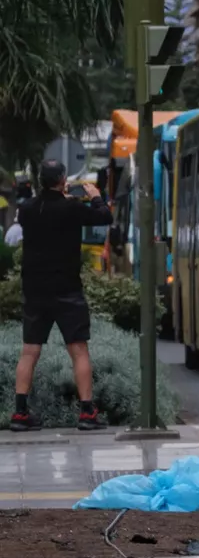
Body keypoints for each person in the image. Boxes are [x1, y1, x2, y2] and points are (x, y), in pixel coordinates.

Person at [9, 160, 113, 432]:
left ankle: (20, 413)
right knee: (78, 349)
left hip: (35, 290)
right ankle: (87, 412)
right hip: (67, 289)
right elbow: (104, 217)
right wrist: (96, 197)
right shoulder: (72, 207)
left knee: (30, 350)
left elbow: (44, 211)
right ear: (63, 180)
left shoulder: (27, 209)